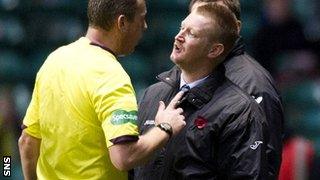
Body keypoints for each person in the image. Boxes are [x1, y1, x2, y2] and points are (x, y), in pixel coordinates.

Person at [18, 0, 186, 179]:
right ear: (121, 23)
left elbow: (26, 142)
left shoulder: (55, 60)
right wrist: (165, 128)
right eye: (142, 18)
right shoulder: (112, 77)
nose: (145, 26)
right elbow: (124, 156)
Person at [135, 3, 269, 179]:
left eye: (191, 33)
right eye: (181, 28)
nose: (178, 37)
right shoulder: (152, 94)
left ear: (214, 50)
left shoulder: (240, 111)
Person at [189, 0, 284, 178]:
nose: (206, 24)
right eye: (200, 17)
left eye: (218, 18)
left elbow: (262, 167)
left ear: (236, 27)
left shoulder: (255, 85)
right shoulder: (175, 77)